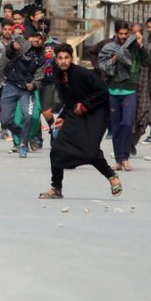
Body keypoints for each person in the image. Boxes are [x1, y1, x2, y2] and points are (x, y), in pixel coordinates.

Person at [39, 43, 122, 199]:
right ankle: (56, 188)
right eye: (60, 58)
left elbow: (103, 91)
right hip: (73, 113)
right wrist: (62, 117)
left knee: (90, 151)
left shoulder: (82, 73)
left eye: (67, 58)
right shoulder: (57, 75)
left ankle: (112, 177)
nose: (63, 61)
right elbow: (68, 100)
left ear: (72, 59)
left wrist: (85, 105)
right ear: (56, 60)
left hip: (95, 113)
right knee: (57, 149)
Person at [100, 20, 147, 171]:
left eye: (126, 34)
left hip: (130, 90)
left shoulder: (134, 47)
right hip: (113, 90)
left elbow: (148, 62)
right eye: (121, 34)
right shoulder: (108, 47)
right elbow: (102, 65)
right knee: (116, 126)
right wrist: (114, 59)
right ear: (116, 33)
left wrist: (140, 45)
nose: (123, 36)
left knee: (127, 123)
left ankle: (125, 156)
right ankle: (119, 159)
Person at [0, 29, 47, 158]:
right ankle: (23, 136)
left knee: (29, 116)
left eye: (40, 39)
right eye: (36, 37)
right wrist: (12, 46)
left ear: (43, 42)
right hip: (11, 84)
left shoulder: (41, 58)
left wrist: (34, 84)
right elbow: (8, 53)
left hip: (26, 89)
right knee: (6, 120)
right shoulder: (24, 44)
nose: (37, 40)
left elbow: (39, 76)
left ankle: (23, 145)